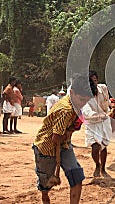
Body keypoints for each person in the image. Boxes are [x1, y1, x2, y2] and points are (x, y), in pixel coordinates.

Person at [33, 74, 92, 204]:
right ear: (71, 92)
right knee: (46, 182)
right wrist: (68, 132)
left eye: (86, 101)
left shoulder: (77, 107)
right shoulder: (66, 109)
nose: (83, 103)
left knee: (76, 176)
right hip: (46, 147)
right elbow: (56, 138)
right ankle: (45, 196)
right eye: (81, 99)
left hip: (64, 145)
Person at [81, 70, 112, 177]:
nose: (93, 83)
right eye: (91, 80)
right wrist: (99, 115)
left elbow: (107, 102)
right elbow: (86, 112)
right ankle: (97, 165)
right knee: (95, 146)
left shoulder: (103, 88)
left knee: (103, 146)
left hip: (104, 121)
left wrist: (111, 108)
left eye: (95, 80)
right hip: (91, 122)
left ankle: (103, 168)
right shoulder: (84, 94)